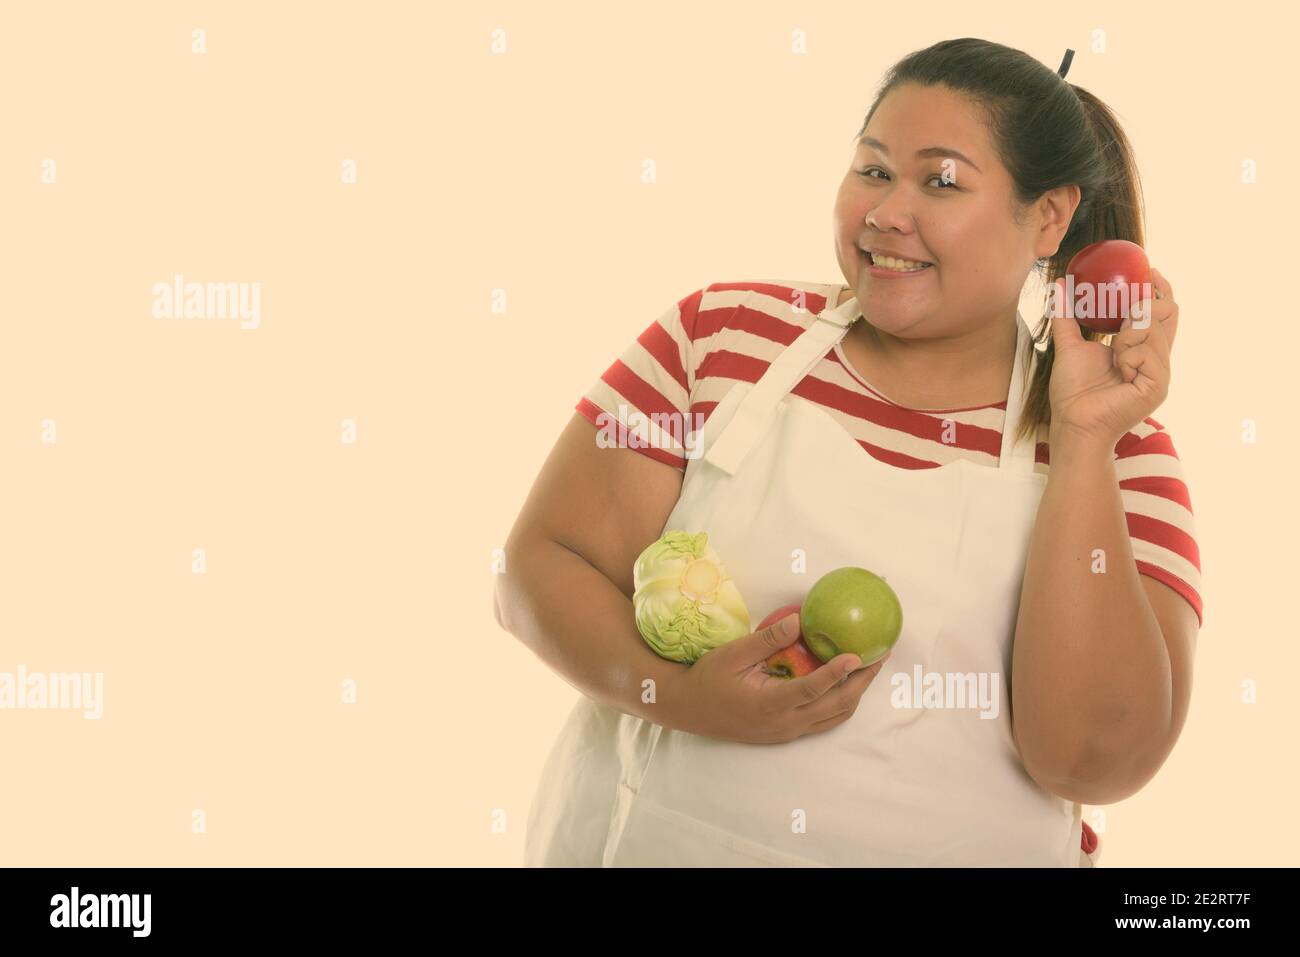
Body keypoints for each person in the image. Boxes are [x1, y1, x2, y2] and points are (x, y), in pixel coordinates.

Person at [494, 37, 1202, 867]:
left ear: (1047, 217)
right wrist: (684, 697)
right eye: (873, 170)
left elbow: (1092, 758)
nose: (886, 212)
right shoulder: (720, 337)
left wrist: (1081, 439)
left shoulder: (1121, 450)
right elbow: (537, 569)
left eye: (940, 181)